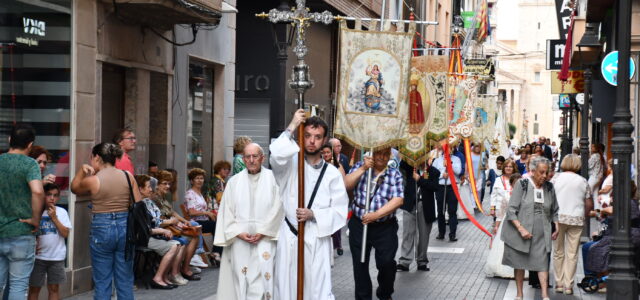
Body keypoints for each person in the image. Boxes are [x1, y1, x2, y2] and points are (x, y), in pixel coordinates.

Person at [270, 109, 348, 300]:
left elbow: (339, 211)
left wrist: (313, 214)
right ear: (301, 137)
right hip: (288, 235)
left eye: (317, 137)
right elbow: (276, 155)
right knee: (285, 287)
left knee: (317, 289)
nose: (312, 141)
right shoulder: (289, 164)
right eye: (308, 136)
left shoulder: (331, 174)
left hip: (316, 238)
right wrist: (293, 125)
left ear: (324, 140)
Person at [70, 143, 141, 300]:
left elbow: (74, 188)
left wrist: (82, 171)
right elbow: (138, 202)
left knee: (103, 281)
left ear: (97, 157)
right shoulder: (128, 176)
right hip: (125, 226)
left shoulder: (94, 180)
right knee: (125, 280)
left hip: (102, 226)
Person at [214, 143, 284, 300]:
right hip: (241, 240)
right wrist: (238, 233)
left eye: (255, 156)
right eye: (247, 157)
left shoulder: (274, 179)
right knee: (240, 279)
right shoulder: (233, 182)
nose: (251, 160)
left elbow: (278, 208)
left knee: (262, 282)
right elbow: (227, 211)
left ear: (262, 158)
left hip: (265, 238)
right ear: (243, 159)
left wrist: (263, 231)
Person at [345, 147, 403, 300]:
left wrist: (376, 215)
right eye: (378, 153)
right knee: (360, 265)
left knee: (387, 263)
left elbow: (398, 199)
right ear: (372, 153)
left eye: (385, 154)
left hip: (385, 226)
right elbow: (346, 185)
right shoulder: (359, 166)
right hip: (359, 224)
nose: (382, 157)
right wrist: (364, 168)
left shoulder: (394, 174)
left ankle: (384, 293)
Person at [501, 156, 559, 300]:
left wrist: (556, 226)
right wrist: (521, 229)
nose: (545, 176)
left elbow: (555, 210)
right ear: (533, 171)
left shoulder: (549, 187)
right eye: (541, 172)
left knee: (542, 263)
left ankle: (545, 295)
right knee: (519, 263)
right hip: (521, 232)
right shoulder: (522, 184)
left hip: (541, 234)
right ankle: (519, 294)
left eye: (546, 172)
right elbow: (511, 211)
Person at [0, 124, 44, 300]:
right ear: (30, 144)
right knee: (18, 285)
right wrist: (35, 219)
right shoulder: (30, 164)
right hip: (21, 231)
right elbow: (38, 191)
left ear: (9, 140)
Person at [135, 175, 188, 289]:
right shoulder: (139, 205)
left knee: (179, 244)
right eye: (149, 187)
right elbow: (144, 228)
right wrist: (163, 228)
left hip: (154, 235)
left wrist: (169, 224)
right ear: (140, 189)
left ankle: (164, 276)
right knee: (175, 245)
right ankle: (158, 278)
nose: (151, 189)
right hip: (145, 237)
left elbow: (157, 220)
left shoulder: (149, 202)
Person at [549, 154, 592, 295]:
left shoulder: (555, 178)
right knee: (572, 253)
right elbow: (589, 203)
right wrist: (584, 215)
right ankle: (569, 285)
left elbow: (549, 198)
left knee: (558, 251)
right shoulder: (583, 181)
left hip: (558, 219)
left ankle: (559, 283)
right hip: (576, 219)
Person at [151, 171, 201, 280]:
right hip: (163, 229)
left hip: (170, 227)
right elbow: (158, 218)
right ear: (157, 185)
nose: (167, 186)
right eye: (164, 183)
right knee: (188, 237)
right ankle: (177, 271)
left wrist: (184, 221)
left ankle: (184, 268)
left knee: (194, 232)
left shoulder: (162, 196)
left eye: (169, 184)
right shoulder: (154, 198)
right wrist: (174, 222)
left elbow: (172, 211)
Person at [27, 183, 71, 300]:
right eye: (49, 195)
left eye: (55, 195)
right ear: (43, 196)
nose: (52, 198)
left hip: (56, 257)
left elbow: (65, 234)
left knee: (54, 288)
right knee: (34, 289)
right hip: (38, 258)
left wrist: (54, 218)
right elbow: (29, 232)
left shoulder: (62, 212)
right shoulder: (36, 211)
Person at [484, 162, 519, 279]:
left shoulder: (518, 180)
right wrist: (492, 208)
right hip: (501, 210)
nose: (508, 168)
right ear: (503, 168)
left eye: (510, 166)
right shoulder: (499, 180)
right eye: (507, 166)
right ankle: (500, 266)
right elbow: (493, 195)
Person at [396, 160, 429, 272]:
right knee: (408, 233)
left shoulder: (429, 167)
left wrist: (421, 176)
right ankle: (404, 261)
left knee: (423, 234)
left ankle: (422, 261)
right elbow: (402, 174)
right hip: (409, 202)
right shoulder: (406, 165)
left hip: (423, 203)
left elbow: (433, 185)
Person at [184, 168, 221, 263]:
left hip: (204, 221)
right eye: (197, 178)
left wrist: (211, 213)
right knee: (218, 226)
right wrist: (207, 213)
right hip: (196, 223)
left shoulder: (199, 193)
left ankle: (217, 253)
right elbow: (192, 212)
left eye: (201, 178)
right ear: (192, 181)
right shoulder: (190, 194)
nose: (200, 180)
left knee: (221, 225)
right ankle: (216, 253)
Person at [432, 143, 462, 241]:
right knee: (441, 211)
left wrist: (449, 164)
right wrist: (441, 175)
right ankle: (441, 232)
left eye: (450, 148)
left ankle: (452, 234)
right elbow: (432, 174)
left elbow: (458, 171)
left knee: (452, 211)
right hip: (440, 188)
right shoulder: (436, 160)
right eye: (446, 148)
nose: (449, 150)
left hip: (452, 187)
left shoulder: (456, 159)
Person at [320, 144, 346, 256]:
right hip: (322, 200)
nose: (326, 154)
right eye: (323, 152)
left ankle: (337, 245)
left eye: (328, 152)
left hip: (333, 199)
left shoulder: (338, 166)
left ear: (332, 153)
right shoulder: (317, 166)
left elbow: (343, 184)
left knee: (335, 225)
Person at [588, 143, 605, 210]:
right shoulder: (600, 156)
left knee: (588, 192)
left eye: (592, 147)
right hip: (598, 177)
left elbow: (589, 166)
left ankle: (588, 208)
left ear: (596, 148)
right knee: (595, 194)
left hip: (593, 176)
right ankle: (597, 208)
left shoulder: (594, 156)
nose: (591, 148)